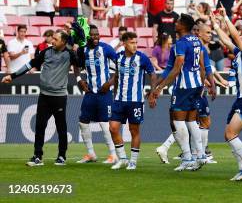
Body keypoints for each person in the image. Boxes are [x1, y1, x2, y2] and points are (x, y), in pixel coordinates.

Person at [2, 30, 78, 167]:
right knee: (40, 126)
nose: (52, 41)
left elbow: (81, 62)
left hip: (59, 97)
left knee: (61, 127)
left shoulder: (70, 54)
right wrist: (12, 76)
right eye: (52, 38)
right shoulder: (47, 52)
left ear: (64, 42)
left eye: (55, 39)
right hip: (44, 95)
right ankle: (37, 156)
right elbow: (30, 64)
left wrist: (79, 46)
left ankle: (62, 156)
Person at [152, 14, 216, 171]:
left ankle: (187, 157)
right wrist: (203, 83)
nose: (176, 23)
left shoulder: (180, 43)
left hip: (183, 86)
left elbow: (177, 67)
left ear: (184, 26)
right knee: (191, 121)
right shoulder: (196, 41)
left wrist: (161, 88)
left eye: (178, 22)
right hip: (195, 85)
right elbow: (201, 64)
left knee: (178, 121)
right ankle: (200, 155)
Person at [211, 12, 242, 180]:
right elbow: (226, 40)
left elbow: (233, 36)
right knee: (228, 134)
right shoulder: (240, 53)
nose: (241, 36)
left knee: (231, 134)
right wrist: (216, 25)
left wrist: (226, 18)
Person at [107, 31, 157, 170]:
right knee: (113, 128)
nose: (135, 46)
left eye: (136, 43)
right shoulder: (118, 58)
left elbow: (152, 75)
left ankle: (133, 161)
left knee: (134, 130)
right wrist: (115, 93)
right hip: (119, 100)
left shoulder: (142, 58)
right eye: (132, 43)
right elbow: (117, 76)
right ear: (124, 43)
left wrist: (152, 92)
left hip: (135, 101)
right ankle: (123, 158)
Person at [75, 25, 118, 164]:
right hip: (90, 92)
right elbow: (75, 65)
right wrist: (79, 80)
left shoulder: (106, 48)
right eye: (93, 35)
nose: (96, 37)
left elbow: (122, 65)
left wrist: (110, 82)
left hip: (104, 93)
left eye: (97, 34)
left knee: (105, 124)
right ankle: (91, 154)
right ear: (87, 37)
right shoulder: (83, 50)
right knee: (83, 122)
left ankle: (113, 155)